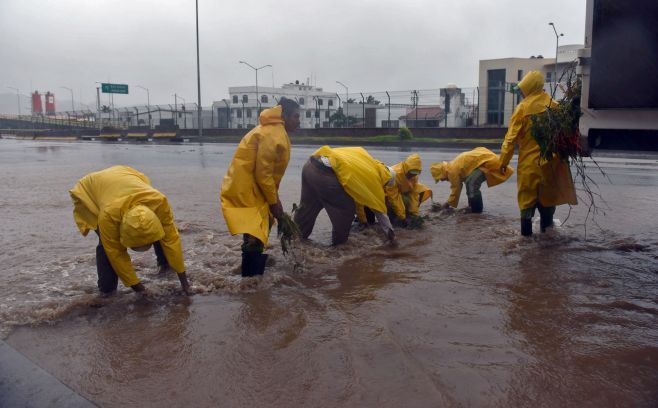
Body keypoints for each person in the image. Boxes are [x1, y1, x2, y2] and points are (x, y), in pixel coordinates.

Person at [70, 165, 190, 295]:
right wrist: (139, 289)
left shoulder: (159, 202)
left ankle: (165, 266)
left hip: (126, 174)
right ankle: (107, 291)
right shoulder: (108, 216)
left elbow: (171, 240)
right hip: (89, 191)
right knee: (106, 246)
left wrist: (185, 285)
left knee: (155, 227)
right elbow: (116, 253)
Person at [220, 98, 301, 277]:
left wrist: (274, 198)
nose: (299, 121)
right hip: (248, 189)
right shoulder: (274, 135)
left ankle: (250, 279)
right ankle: (250, 283)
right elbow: (263, 174)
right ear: (284, 116)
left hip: (251, 188)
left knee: (255, 232)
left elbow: (268, 174)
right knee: (255, 235)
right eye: (296, 116)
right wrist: (274, 202)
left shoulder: (275, 132)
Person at [499, 70, 577, 236]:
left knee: (526, 204)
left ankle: (525, 243)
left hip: (529, 167)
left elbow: (510, 139)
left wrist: (503, 162)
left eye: (522, 89)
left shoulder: (522, 109)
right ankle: (547, 240)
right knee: (547, 203)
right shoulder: (554, 106)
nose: (521, 93)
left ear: (528, 87)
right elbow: (567, 136)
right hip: (551, 164)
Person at [293, 146, 396, 246]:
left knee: (307, 207)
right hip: (326, 175)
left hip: (311, 165)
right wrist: (390, 235)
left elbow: (358, 199)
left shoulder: (366, 159)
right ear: (385, 180)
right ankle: (339, 248)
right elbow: (380, 212)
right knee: (346, 211)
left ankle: (294, 240)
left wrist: (363, 221)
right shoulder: (375, 182)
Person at [430, 147, 513, 213]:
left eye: (440, 178)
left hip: (487, 163)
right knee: (469, 183)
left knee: (471, 183)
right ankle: (472, 207)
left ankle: (476, 211)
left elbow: (456, 189)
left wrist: (447, 204)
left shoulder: (451, 171)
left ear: (442, 173)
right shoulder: (451, 166)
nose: (442, 180)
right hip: (485, 160)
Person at [385, 153, 433, 226]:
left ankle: (408, 213)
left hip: (401, 194)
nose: (412, 175)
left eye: (415, 173)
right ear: (406, 168)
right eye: (411, 173)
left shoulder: (414, 176)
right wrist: (402, 217)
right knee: (403, 201)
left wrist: (414, 214)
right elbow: (393, 197)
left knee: (422, 190)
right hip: (387, 196)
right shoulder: (395, 174)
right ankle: (393, 215)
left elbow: (414, 194)